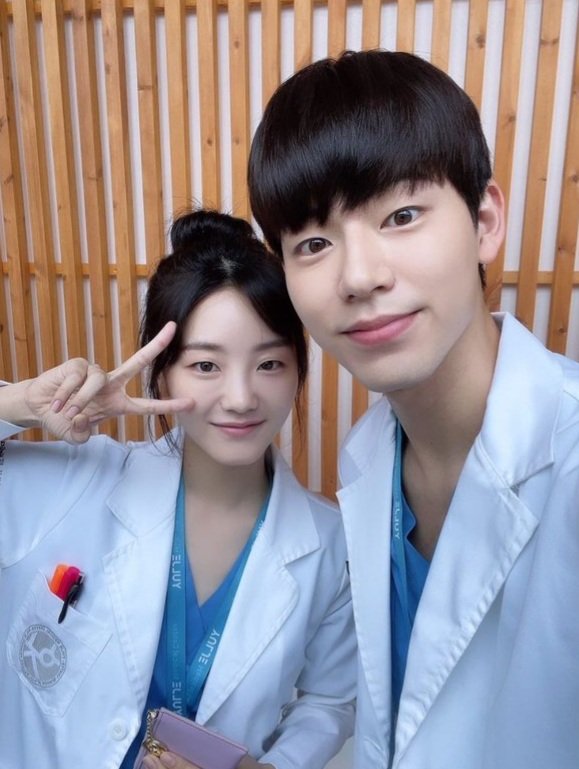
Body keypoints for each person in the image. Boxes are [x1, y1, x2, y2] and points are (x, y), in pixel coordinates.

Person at [247, 49, 579, 769]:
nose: (359, 276)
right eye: (313, 242)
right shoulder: (367, 455)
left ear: (484, 220)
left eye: (401, 215)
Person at [0, 210, 356, 769]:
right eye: (206, 365)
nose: (241, 397)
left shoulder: (329, 543)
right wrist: (21, 403)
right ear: (162, 372)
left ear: (298, 371)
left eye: (269, 363)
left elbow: (329, 701)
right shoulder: (73, 482)